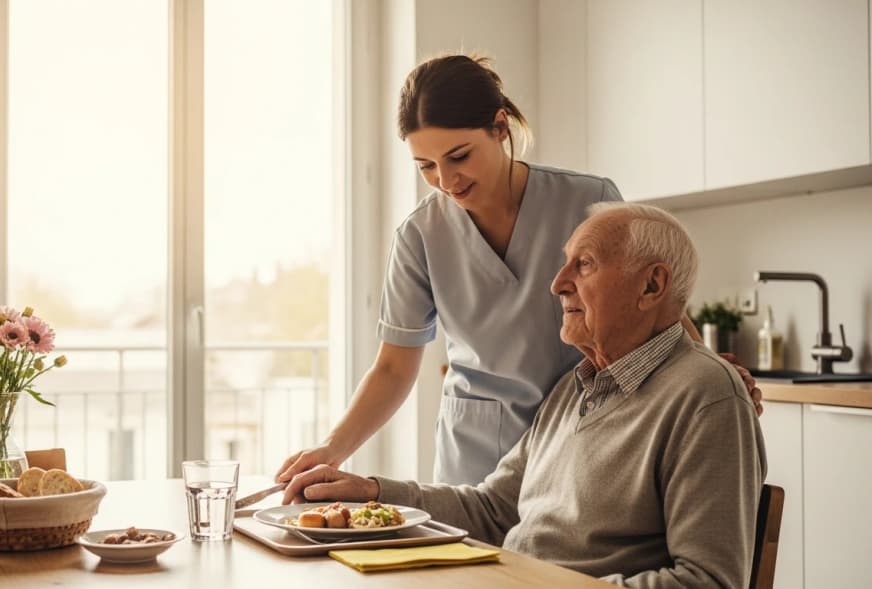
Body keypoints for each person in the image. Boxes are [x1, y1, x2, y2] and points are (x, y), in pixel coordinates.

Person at [276, 53, 763, 486]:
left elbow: (655, 308)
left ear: (500, 126)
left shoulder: (588, 200)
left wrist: (711, 375)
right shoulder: (420, 235)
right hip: (473, 459)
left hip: (585, 436)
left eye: (459, 156)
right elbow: (392, 367)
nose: (446, 181)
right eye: (425, 166)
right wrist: (332, 449)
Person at [282, 203, 768, 588]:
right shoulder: (573, 388)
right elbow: (492, 510)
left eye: (585, 264)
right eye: (565, 264)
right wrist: (374, 493)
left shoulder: (706, 398)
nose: (558, 284)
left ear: (652, 284)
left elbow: (708, 581)